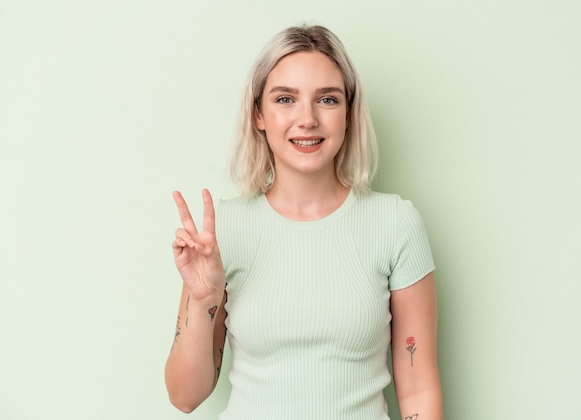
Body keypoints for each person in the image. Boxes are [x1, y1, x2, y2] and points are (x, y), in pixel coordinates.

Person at [165, 25, 443, 419]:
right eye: (285, 99)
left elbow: (418, 393)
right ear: (259, 114)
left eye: (327, 99)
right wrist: (204, 298)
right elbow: (184, 396)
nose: (307, 119)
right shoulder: (222, 231)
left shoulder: (396, 224)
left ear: (348, 111)